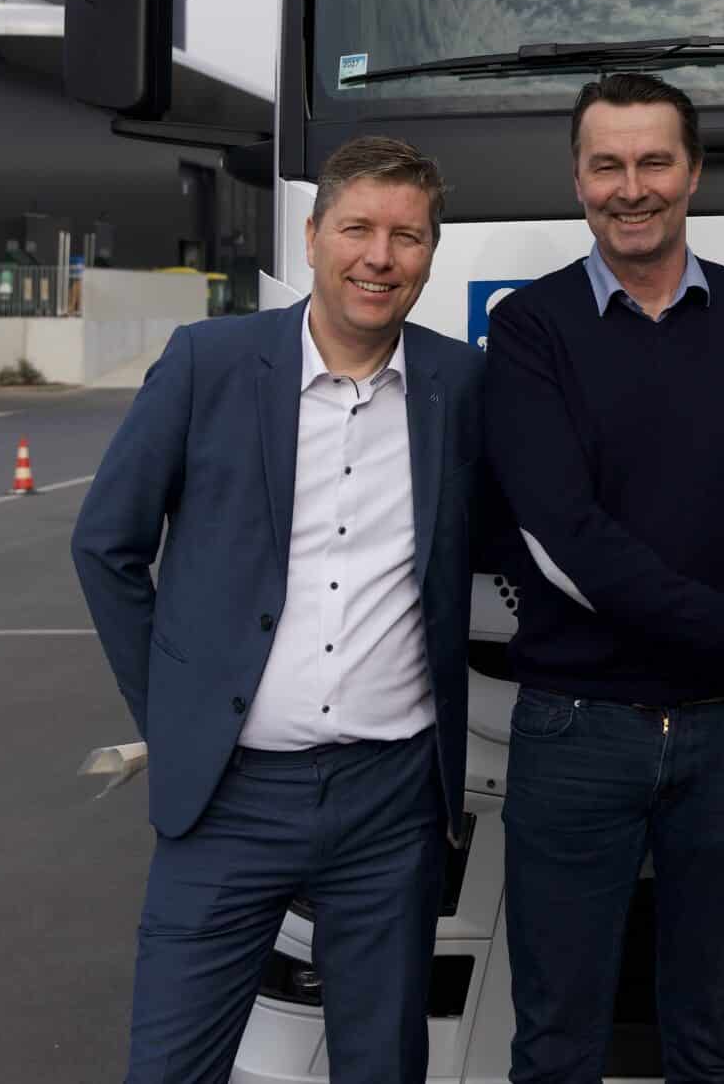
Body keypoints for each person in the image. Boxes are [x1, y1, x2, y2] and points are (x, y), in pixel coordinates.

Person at [72, 136, 488, 1084]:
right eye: (358, 228)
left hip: (391, 802)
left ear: (430, 252)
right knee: (172, 1064)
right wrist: (175, 720)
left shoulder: (458, 384)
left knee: (380, 1065)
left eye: (407, 235)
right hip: (228, 796)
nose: (380, 256)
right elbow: (106, 544)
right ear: (310, 236)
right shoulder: (207, 362)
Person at [483, 71, 724, 1084]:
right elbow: (566, 540)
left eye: (654, 161)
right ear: (577, 178)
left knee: (711, 1036)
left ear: (692, 173)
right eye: (607, 165)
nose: (630, 187)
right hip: (576, 731)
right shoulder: (529, 328)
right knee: (557, 1039)